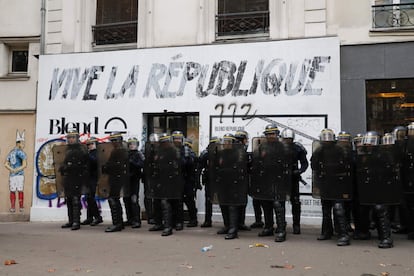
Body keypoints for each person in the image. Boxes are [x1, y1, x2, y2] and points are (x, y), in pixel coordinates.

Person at [354, 131, 396, 248]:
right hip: (367, 186)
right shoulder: (362, 155)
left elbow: (390, 170)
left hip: (380, 186)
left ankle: (386, 237)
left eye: (371, 142)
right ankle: (364, 232)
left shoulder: (383, 154)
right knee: (363, 209)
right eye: (367, 142)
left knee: (380, 210)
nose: (368, 145)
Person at [311, 128, 351, 246]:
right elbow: (314, 166)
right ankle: (327, 231)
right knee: (326, 209)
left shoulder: (340, 149)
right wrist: (318, 183)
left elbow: (347, 165)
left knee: (338, 209)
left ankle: (343, 234)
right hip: (325, 182)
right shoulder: (319, 150)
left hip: (338, 182)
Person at [213, 133, 249, 240]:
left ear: (233, 143)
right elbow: (215, 166)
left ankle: (233, 230)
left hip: (234, 183)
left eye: (229, 142)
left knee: (232, 206)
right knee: (223, 204)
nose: (226, 144)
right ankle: (227, 226)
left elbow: (238, 168)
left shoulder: (238, 153)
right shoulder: (220, 153)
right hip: (222, 183)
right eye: (225, 141)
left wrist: (223, 171)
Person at [58, 129, 89, 230]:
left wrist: (71, 167)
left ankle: (76, 221)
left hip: (77, 177)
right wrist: (63, 168)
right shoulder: (67, 150)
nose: (70, 139)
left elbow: (83, 164)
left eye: (72, 137)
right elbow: (66, 162)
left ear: (77, 138)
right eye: (69, 137)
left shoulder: (82, 149)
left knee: (76, 199)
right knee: (69, 199)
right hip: (69, 177)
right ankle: (71, 220)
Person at [280, 128, 309, 235]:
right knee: (280, 202)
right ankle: (281, 224)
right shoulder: (278, 148)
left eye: (289, 139)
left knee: (295, 202)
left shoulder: (297, 148)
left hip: (293, 178)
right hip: (281, 178)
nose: (287, 140)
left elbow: (304, 163)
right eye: (286, 139)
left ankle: (296, 225)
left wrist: (299, 171)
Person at [101, 132, 129, 232]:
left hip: (118, 177)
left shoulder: (121, 151)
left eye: (115, 140)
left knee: (113, 199)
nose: (113, 142)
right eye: (112, 140)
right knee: (115, 200)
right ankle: (119, 223)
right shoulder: (117, 150)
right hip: (115, 177)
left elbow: (117, 165)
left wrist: (107, 167)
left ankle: (117, 223)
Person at [197, 136, 219, 227]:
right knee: (208, 201)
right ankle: (207, 220)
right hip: (209, 180)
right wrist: (197, 182)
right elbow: (198, 168)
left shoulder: (222, 153)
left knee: (223, 201)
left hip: (220, 180)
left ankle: (228, 223)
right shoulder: (205, 153)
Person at [123, 137, 144, 228]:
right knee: (126, 199)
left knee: (134, 200)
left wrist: (132, 162)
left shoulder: (139, 154)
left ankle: (137, 220)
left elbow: (142, 164)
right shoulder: (126, 154)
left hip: (134, 180)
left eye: (134, 144)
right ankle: (130, 219)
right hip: (126, 180)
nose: (132, 145)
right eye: (130, 144)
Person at [81, 136, 103, 226]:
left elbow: (95, 161)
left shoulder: (97, 153)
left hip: (94, 177)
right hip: (88, 177)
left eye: (91, 144)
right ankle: (90, 217)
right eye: (88, 144)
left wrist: (87, 156)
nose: (89, 145)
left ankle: (97, 217)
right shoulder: (89, 153)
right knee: (88, 197)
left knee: (91, 197)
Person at [4, 131, 27, 213]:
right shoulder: (20, 152)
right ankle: (20, 207)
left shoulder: (11, 152)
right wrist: (17, 169)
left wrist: (11, 169)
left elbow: (6, 164)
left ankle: (13, 207)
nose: (24, 145)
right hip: (19, 175)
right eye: (23, 143)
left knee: (12, 190)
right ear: (19, 143)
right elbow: (24, 164)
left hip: (12, 175)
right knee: (20, 190)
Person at [234, 130, 251, 231]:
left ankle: (240, 223)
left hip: (242, 179)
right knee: (237, 203)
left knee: (242, 202)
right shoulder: (236, 150)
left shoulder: (243, 150)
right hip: (236, 180)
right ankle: (236, 224)